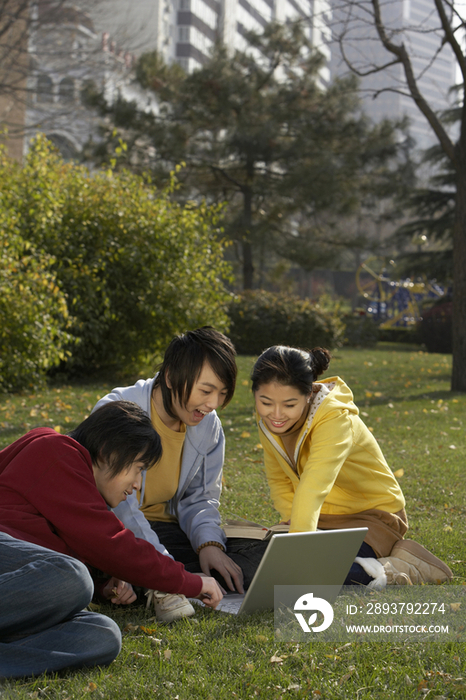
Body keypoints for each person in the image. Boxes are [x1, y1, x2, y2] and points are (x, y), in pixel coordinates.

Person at [0, 401, 222, 679]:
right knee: (72, 577)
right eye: (138, 468)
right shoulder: (56, 452)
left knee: (102, 635)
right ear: (108, 453)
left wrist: (103, 587)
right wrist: (192, 582)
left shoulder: (77, 482)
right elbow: (111, 544)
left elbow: (52, 558)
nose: (138, 483)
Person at [93, 327, 268, 620]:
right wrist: (164, 565)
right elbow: (121, 509)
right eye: (206, 390)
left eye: (221, 393)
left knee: (256, 562)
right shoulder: (118, 412)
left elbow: (200, 498)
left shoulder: (208, 425)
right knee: (115, 566)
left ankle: (169, 579)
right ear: (172, 376)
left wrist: (209, 545)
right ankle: (159, 579)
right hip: (115, 532)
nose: (212, 404)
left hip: (170, 533)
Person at [250, 345, 453, 588]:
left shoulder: (335, 418)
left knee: (315, 575)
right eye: (265, 402)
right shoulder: (269, 421)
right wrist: (291, 523)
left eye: (289, 405)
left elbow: (315, 485)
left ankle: (399, 567)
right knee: (258, 565)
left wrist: (299, 548)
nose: (277, 414)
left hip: (371, 518)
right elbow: (279, 479)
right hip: (320, 517)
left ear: (308, 395)